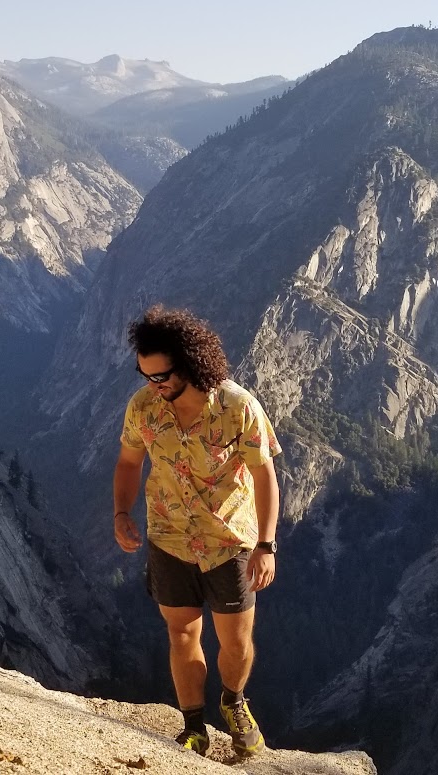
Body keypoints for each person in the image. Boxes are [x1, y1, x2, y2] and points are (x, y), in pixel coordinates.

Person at [113, 306, 282, 758]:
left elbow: (264, 475)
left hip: (229, 542)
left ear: (188, 363)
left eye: (162, 375)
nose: (154, 384)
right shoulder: (144, 408)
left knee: (236, 642)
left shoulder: (237, 407)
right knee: (181, 635)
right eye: (146, 375)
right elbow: (129, 462)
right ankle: (193, 726)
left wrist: (266, 545)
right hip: (168, 538)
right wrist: (121, 513)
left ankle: (234, 701)